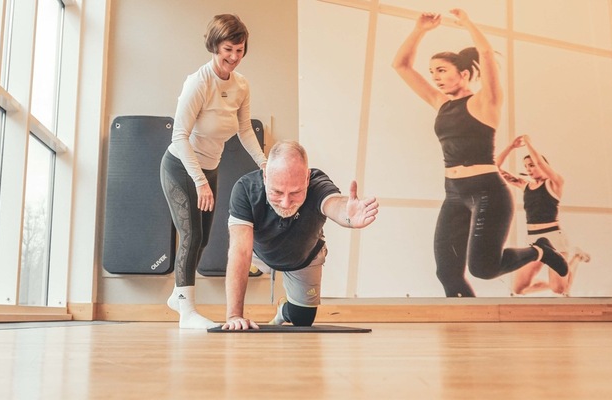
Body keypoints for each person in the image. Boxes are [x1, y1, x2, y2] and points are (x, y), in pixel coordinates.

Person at [391, 9, 568, 297]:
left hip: (488, 191)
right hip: (453, 192)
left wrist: (467, 23)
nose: (435, 77)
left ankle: (540, 251)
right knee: (446, 270)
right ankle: (464, 329)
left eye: (442, 70)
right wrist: (419, 30)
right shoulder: (440, 102)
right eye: (432, 71)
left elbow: (486, 55)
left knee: (483, 269)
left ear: (463, 74)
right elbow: (401, 65)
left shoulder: (486, 102)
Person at [160, 14, 267, 329]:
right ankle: (186, 310)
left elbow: (245, 129)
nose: (234, 57)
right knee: (191, 235)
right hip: (180, 167)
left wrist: (264, 162)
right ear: (215, 46)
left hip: (210, 168)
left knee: (202, 238)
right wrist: (199, 182)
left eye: (240, 50)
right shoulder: (198, 82)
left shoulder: (241, 85)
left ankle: (177, 296)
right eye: (228, 49)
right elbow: (178, 136)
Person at [221, 141, 379, 330]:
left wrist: (347, 214)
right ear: (265, 176)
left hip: (303, 257)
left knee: (302, 319)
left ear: (306, 179)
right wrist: (234, 316)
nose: (286, 203)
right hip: (259, 253)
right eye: (277, 192)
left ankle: (283, 310)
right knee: (241, 254)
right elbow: (240, 252)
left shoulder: (317, 184)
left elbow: (333, 204)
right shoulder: (246, 189)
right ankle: (262, 268)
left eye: (295, 193)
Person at [496, 135, 590, 296]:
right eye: (526, 167)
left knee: (559, 289)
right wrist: (511, 147)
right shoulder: (524, 185)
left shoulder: (555, 183)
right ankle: (556, 280)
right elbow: (495, 168)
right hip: (534, 239)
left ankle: (576, 258)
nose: (529, 170)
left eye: (531, 165)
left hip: (554, 238)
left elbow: (540, 162)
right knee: (518, 289)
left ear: (544, 166)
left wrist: (528, 144)